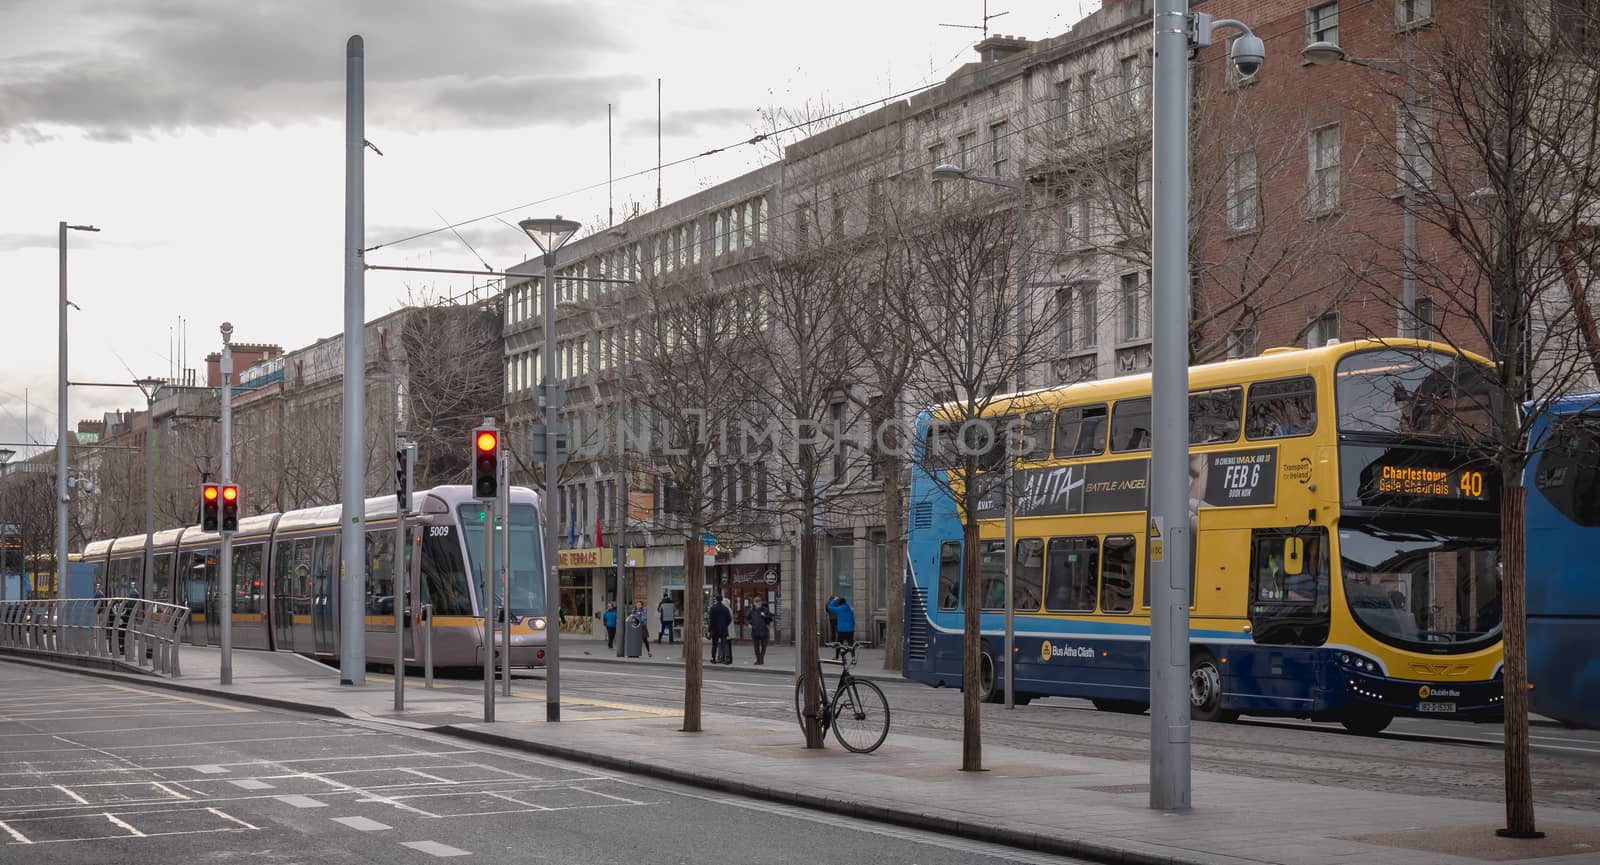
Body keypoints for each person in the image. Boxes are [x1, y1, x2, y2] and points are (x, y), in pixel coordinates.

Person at [747, 598, 773, 665]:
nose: (758, 603)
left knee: (764, 646)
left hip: (764, 631)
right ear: (754, 603)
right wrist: (749, 624)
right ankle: (759, 660)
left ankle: (761, 659)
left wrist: (765, 616)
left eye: (759, 602)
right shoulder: (752, 611)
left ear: (761, 602)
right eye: (756, 602)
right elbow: (747, 618)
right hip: (755, 631)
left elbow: (770, 619)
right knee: (756, 647)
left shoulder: (765, 610)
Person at [708, 595, 733, 664]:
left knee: (714, 645)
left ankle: (713, 658)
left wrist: (709, 630)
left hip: (715, 629)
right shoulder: (725, 608)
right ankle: (727, 658)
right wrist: (725, 625)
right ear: (721, 600)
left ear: (716, 600)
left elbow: (711, 620)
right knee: (725, 644)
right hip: (723, 629)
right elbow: (729, 619)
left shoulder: (713, 608)